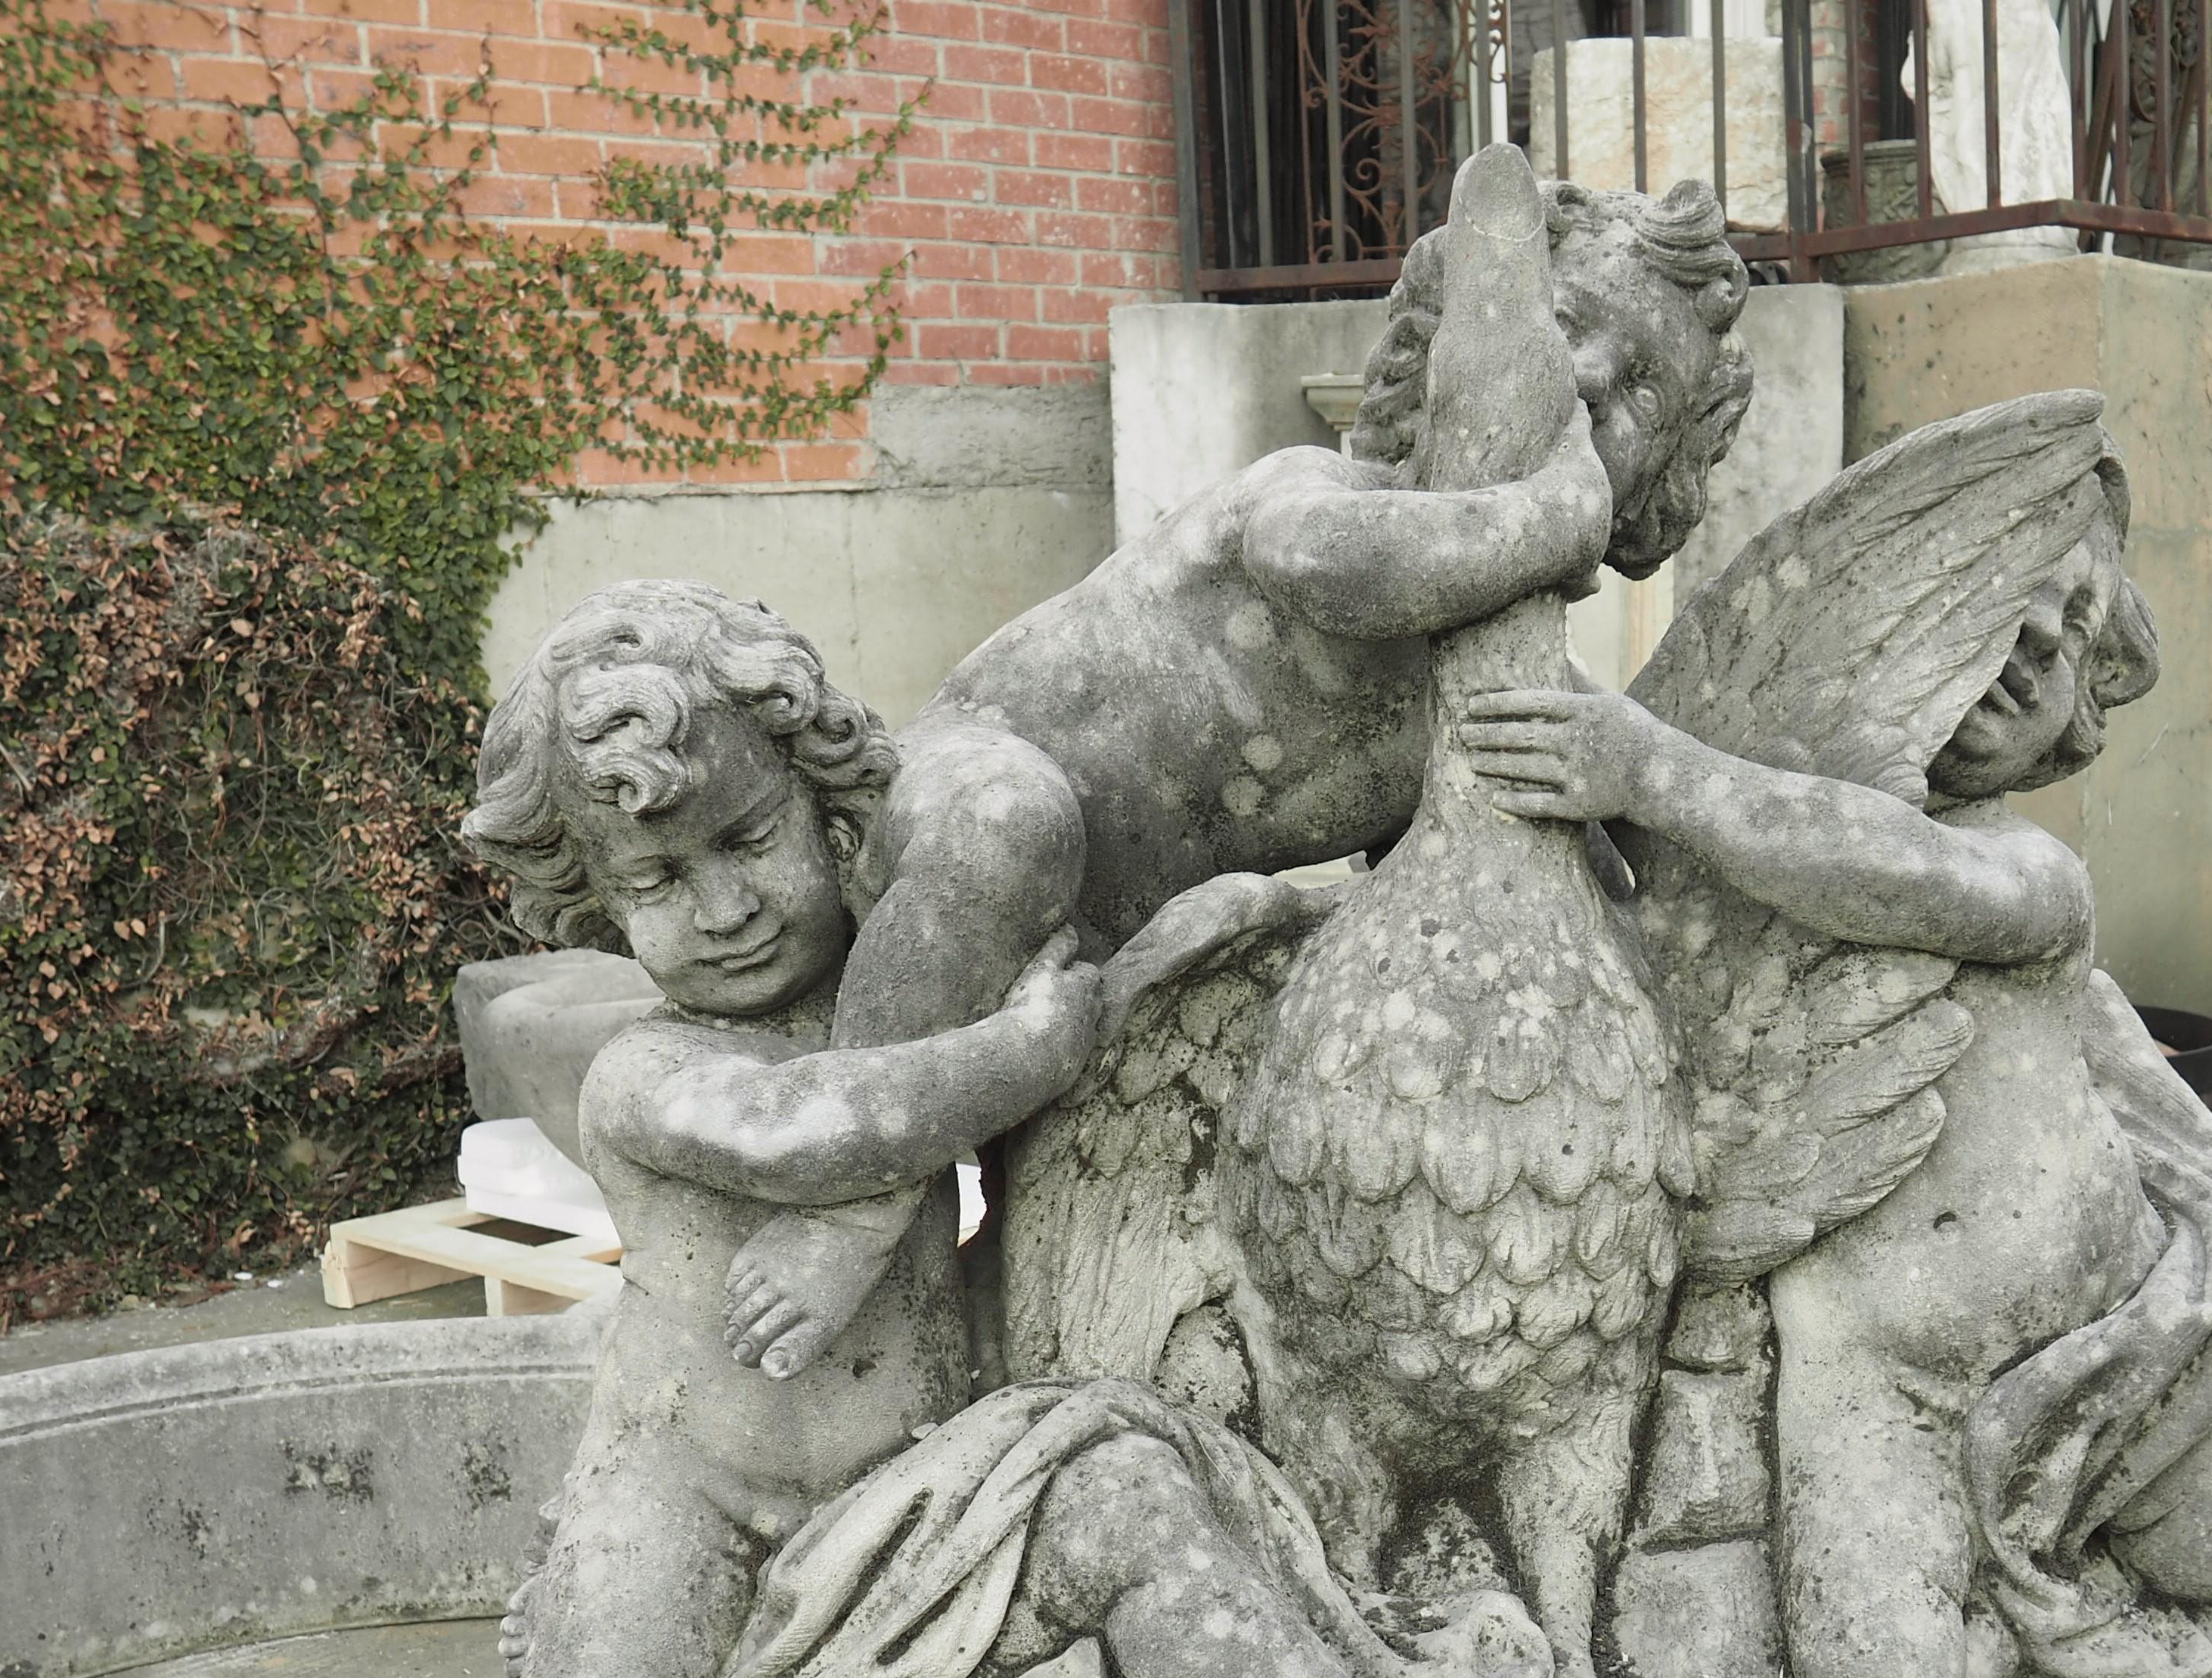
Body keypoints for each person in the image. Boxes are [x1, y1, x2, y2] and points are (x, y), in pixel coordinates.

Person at [465, 581, 1545, 1678]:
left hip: (924, 1499)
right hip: (688, 1493)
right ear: (594, 905)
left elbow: (1086, 1038)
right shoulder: (644, 1077)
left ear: (826, 804)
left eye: (752, 842)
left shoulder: (912, 996)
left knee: (1127, 1495)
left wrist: (1244, 915)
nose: (726, 908)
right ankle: (592, 1615)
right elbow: (813, 1129)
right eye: (656, 880)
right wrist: (1029, 1049)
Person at [726, 167, 1761, 1360]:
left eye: (1641, 389)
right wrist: (1553, 515)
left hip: (1110, 970)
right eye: (1567, 326)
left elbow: (1618, 849)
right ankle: (851, 1189)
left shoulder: (1495, 698)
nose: (1586, 381)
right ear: (1434, 351)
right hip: (982, 793)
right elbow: (1344, 570)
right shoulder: (1312, 492)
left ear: (1657, 484)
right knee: (1009, 829)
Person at [1456, 419, 2212, 1678]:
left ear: (2087, 696)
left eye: (2065, 627)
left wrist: (1653, 770)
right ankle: (2030, 1612)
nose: (2025, 647)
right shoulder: (1768, 853)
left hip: (2117, 1320)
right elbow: (1674, 921)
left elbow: (1923, 893)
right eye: (1997, 615)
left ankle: (2051, 1587)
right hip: (1877, 1366)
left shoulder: (2025, 876)